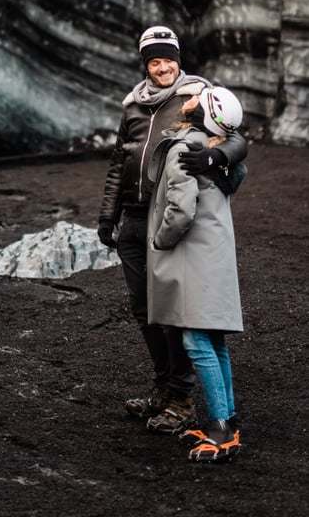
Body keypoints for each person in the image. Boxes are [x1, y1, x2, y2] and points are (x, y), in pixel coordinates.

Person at [97, 25, 247, 434]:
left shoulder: (195, 96)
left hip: (164, 220)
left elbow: (235, 139)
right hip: (133, 217)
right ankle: (164, 387)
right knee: (146, 312)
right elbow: (118, 162)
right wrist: (107, 216)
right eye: (154, 61)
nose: (163, 67)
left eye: (169, 59)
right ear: (146, 65)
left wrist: (214, 161)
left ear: (179, 60)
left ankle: (182, 399)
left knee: (175, 316)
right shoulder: (132, 106)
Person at [146, 85, 245, 462]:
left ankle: (220, 430)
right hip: (214, 251)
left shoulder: (184, 147)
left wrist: (159, 240)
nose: (189, 95)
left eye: (196, 97)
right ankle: (228, 420)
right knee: (213, 339)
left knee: (195, 341)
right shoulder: (215, 151)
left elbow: (181, 209)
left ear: (201, 112)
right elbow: (239, 165)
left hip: (192, 255)